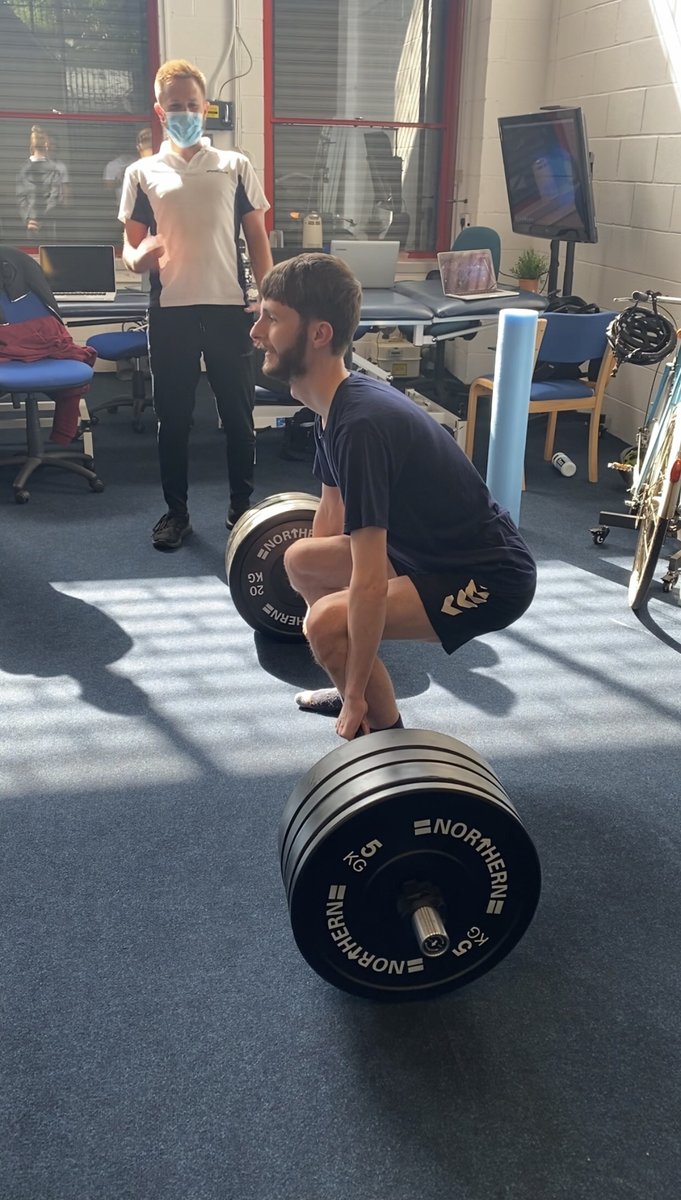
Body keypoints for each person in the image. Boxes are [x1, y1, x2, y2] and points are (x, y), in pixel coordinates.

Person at [251, 253, 537, 742]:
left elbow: (366, 583)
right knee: (301, 560)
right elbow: (332, 511)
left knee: (325, 623)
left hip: (487, 577)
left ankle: (387, 738)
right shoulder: (330, 404)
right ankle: (350, 675)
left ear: (319, 334)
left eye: (271, 318)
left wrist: (353, 686)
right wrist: (342, 658)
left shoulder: (360, 425)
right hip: (422, 554)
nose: (256, 331)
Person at [118, 60, 272, 550]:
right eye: (175, 105)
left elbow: (257, 237)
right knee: (174, 421)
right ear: (160, 111)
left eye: (192, 104)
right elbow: (130, 248)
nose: (184, 112)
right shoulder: (142, 173)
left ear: (205, 107)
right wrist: (138, 257)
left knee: (239, 417)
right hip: (172, 312)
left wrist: (269, 300)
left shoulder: (234, 165)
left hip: (230, 309)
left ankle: (241, 507)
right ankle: (176, 514)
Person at [15, 126, 65, 239]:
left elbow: (21, 198)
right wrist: (43, 219)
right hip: (49, 223)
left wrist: (29, 219)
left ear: (31, 145)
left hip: (31, 225)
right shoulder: (54, 168)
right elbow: (55, 197)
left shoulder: (23, 169)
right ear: (46, 145)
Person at [103, 127, 152, 207]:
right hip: (122, 204)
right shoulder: (113, 165)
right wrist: (121, 179)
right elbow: (108, 186)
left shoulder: (139, 163)